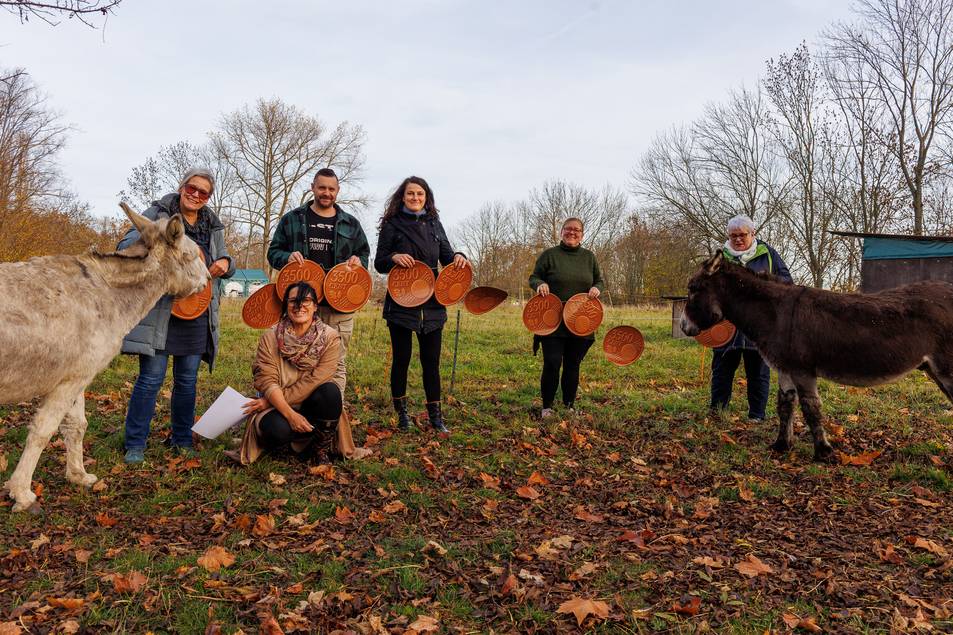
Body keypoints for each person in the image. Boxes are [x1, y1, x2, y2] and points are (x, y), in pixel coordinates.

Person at [119, 167, 235, 463]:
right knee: (151, 378)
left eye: (203, 192)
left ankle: (181, 439)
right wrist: (157, 239)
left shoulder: (212, 224)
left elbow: (224, 260)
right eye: (192, 188)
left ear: (209, 197)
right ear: (182, 187)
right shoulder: (159, 213)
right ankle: (135, 444)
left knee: (187, 380)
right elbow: (125, 246)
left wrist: (225, 262)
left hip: (197, 310)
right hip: (162, 311)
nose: (196, 195)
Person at [374, 176, 468, 434]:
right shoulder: (392, 224)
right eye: (410, 194)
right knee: (401, 359)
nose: (415, 198)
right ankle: (402, 414)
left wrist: (459, 256)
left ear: (427, 198)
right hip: (401, 300)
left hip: (433, 302)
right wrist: (393, 256)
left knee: (431, 361)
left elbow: (447, 257)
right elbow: (379, 262)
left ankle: (436, 418)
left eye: (420, 194)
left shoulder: (435, 223)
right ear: (402, 197)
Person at [235, 281, 364, 464]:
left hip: (310, 403)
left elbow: (317, 379)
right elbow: (267, 381)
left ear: (315, 306)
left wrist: (267, 401)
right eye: (293, 301)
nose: (299, 306)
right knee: (277, 430)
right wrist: (289, 413)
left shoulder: (330, 337)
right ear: (286, 306)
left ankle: (320, 448)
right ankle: (283, 447)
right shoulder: (270, 338)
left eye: (306, 301)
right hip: (278, 406)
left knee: (330, 392)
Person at [267, 168, 370, 391]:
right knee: (297, 361)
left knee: (335, 363)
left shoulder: (351, 224)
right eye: (322, 187)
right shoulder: (292, 219)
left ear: (337, 191)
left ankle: (331, 417)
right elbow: (273, 252)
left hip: (338, 308)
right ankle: (298, 414)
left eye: (331, 189)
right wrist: (287, 257)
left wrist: (358, 261)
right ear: (313, 187)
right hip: (301, 305)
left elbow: (364, 254)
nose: (326, 192)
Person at [710, 214, 792, 421]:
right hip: (726, 326)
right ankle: (718, 411)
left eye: (742, 235)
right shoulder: (720, 257)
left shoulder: (769, 255)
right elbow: (707, 287)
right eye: (733, 235)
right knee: (721, 371)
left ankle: (757, 415)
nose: (737, 239)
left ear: (753, 234)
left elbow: (786, 284)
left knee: (758, 373)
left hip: (759, 327)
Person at [528, 217, 604, 419]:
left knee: (573, 363)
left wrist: (597, 288)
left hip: (581, 320)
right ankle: (547, 407)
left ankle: (569, 404)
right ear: (561, 232)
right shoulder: (550, 255)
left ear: (582, 234)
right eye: (568, 229)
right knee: (552, 362)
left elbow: (599, 280)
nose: (572, 232)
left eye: (576, 230)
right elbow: (534, 277)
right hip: (552, 319)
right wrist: (539, 285)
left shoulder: (589, 257)